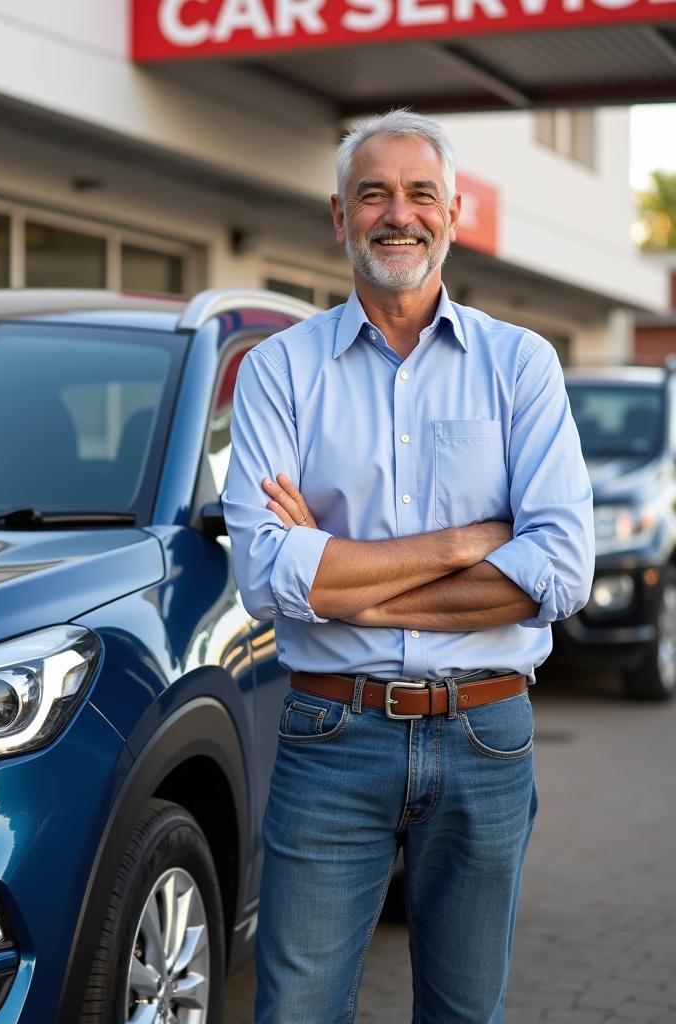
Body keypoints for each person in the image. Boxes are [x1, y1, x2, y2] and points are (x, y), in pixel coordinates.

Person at [221, 109, 595, 1024]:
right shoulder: (278, 370)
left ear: (453, 213)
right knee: (297, 1010)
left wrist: (342, 579)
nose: (399, 213)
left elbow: (561, 571)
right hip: (328, 735)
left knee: (465, 1013)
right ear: (339, 217)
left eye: (420, 193)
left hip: (485, 732)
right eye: (374, 193)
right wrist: (470, 541)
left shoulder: (521, 366)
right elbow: (268, 584)